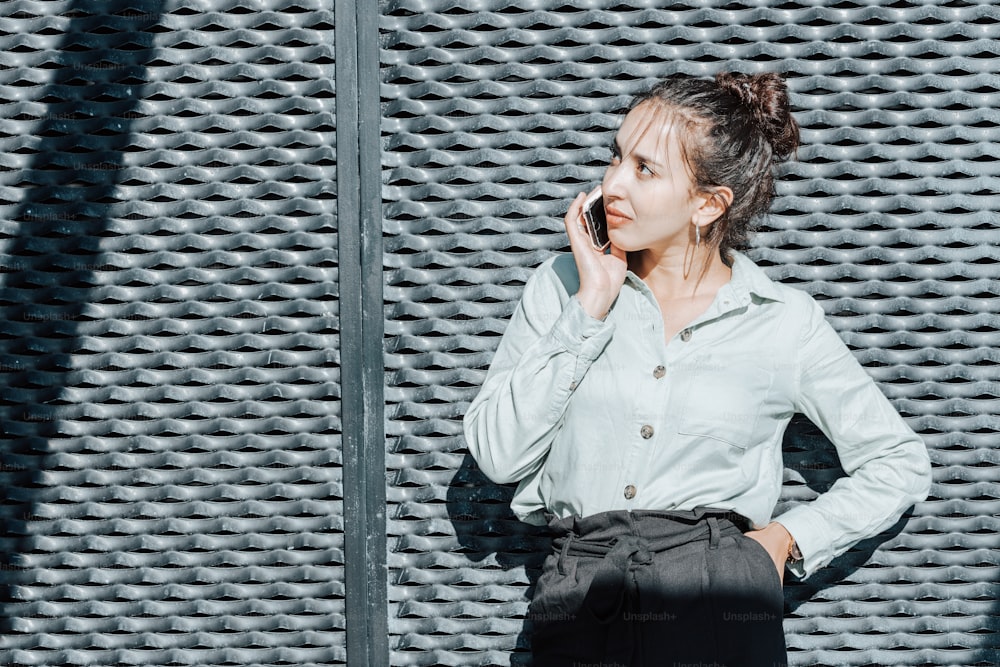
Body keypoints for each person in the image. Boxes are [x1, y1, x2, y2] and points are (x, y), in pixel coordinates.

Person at [462, 71, 932, 667]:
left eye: (645, 170)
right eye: (616, 157)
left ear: (708, 204)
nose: (613, 184)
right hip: (580, 594)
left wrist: (781, 545)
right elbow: (499, 456)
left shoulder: (782, 321)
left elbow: (898, 461)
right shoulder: (562, 287)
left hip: (717, 597)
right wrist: (589, 307)